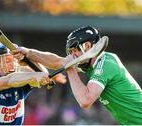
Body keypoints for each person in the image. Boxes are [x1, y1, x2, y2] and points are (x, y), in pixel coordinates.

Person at [11, 26, 142, 125]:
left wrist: (71, 70)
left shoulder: (105, 63)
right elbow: (57, 61)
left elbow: (85, 101)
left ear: (88, 45)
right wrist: (28, 53)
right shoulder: (91, 65)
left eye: (75, 50)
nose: (72, 55)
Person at [0, 42, 66, 125]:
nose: (13, 64)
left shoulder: (21, 80)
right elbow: (8, 81)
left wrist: (25, 60)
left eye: (14, 60)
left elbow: (43, 74)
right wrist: (34, 76)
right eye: (7, 61)